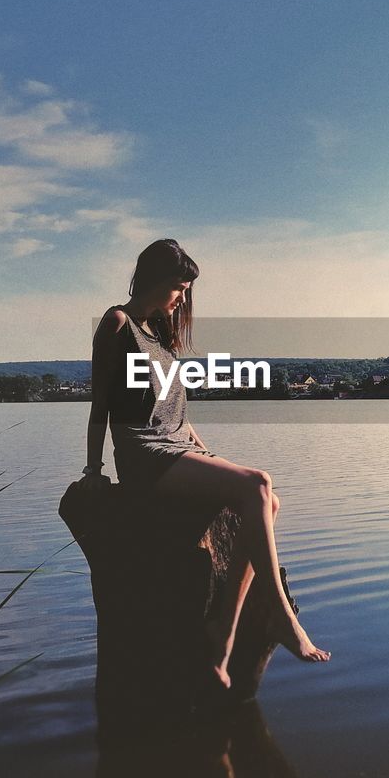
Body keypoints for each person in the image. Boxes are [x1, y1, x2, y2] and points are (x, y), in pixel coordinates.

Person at [84, 238, 330, 688]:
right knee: (258, 483)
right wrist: (94, 470)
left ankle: (224, 632)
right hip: (145, 454)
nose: (181, 299)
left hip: (179, 447)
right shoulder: (118, 322)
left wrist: (209, 453)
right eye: (179, 288)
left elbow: (178, 414)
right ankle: (278, 613)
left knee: (268, 500)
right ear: (155, 280)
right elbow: (101, 402)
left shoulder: (160, 335)